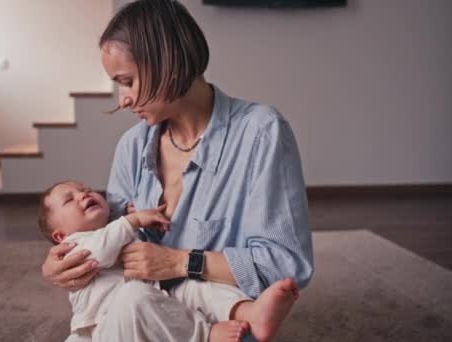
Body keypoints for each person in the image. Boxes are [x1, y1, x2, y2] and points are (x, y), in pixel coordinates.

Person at [41, 0, 314, 341]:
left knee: (132, 299)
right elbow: (103, 234)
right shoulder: (132, 146)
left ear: (165, 66)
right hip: (140, 315)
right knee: (126, 303)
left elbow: (286, 265)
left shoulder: (260, 133)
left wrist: (181, 262)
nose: (123, 99)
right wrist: (60, 265)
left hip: (222, 324)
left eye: (127, 81)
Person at [38, 180, 299, 341]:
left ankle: (249, 312)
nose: (83, 195)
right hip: (103, 330)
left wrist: (128, 217)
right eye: (70, 200)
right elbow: (101, 250)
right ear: (60, 235)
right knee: (133, 295)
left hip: (153, 299)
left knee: (196, 287)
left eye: (84, 189)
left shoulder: (115, 229)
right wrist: (132, 220)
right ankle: (205, 334)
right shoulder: (75, 246)